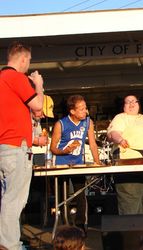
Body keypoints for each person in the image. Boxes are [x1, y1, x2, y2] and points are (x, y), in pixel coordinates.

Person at [0, 41, 44, 250]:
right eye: (29, 61)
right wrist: (39, 85)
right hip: (16, 146)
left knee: (5, 199)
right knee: (14, 200)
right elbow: (37, 107)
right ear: (24, 59)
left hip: (3, 145)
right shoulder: (15, 77)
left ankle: (7, 241)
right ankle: (10, 245)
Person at [50, 95, 101, 233]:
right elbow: (53, 148)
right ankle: (65, 224)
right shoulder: (60, 124)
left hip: (78, 163)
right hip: (62, 164)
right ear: (72, 111)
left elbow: (92, 143)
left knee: (80, 194)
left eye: (86, 108)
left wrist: (97, 162)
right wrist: (64, 150)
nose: (85, 111)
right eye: (82, 109)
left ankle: (80, 225)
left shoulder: (87, 122)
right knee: (62, 196)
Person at [107, 95, 143, 215]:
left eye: (134, 101)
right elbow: (113, 133)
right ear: (124, 106)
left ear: (138, 104)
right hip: (130, 163)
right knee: (131, 199)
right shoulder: (121, 118)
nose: (131, 104)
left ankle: (141, 224)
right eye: (128, 102)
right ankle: (131, 228)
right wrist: (120, 140)